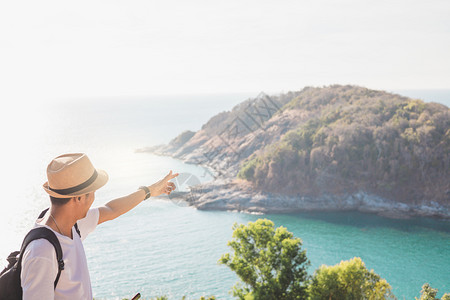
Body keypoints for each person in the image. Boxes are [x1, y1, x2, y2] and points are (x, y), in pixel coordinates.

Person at [20, 153, 179, 299]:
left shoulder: (71, 224)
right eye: (93, 192)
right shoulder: (42, 252)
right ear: (79, 198)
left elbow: (111, 210)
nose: (94, 198)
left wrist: (150, 190)